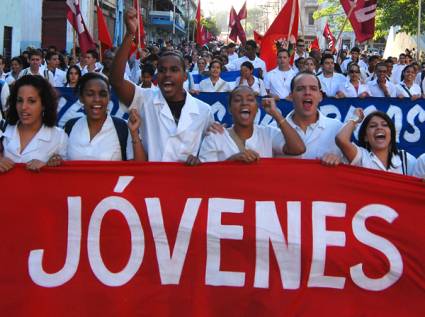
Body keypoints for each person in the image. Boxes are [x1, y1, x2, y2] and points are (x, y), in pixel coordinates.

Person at [110, 8, 214, 164]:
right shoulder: (145, 99)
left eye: (174, 70)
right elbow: (116, 81)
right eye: (162, 70)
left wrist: (201, 159)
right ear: (156, 76)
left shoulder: (204, 111)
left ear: (185, 76)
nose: (167, 75)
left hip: (185, 185)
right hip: (152, 185)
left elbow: (212, 150)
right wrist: (130, 34)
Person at [199, 86, 305, 162]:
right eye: (238, 100)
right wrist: (231, 162)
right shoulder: (215, 136)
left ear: (256, 108)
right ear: (230, 109)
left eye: (250, 100)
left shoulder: (268, 133)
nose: (244, 103)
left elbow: (298, 148)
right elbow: (206, 176)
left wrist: (276, 114)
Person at [65, 73, 146, 161]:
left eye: (102, 94)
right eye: (90, 94)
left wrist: (134, 133)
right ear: (81, 97)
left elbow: (140, 167)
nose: (97, 99)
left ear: (109, 97)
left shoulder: (122, 127)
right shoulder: (71, 126)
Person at [0, 75, 67, 172]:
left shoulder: (59, 138)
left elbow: (66, 177)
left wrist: (48, 168)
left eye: (31, 101)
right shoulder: (4, 130)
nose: (23, 107)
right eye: (19, 100)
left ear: (44, 104)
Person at [336, 109, 416, 175]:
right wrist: (355, 118)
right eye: (373, 126)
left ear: (391, 134)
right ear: (365, 137)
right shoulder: (361, 156)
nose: (379, 128)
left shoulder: (407, 159)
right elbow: (341, 139)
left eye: (384, 125)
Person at [285, 71, 343, 162]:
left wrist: (340, 161)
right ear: (291, 96)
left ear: (320, 96)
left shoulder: (337, 129)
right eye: (300, 89)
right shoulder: (273, 129)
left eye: (313, 88)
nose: (307, 92)